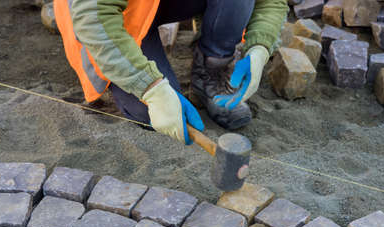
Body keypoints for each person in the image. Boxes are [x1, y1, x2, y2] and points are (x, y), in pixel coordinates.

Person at [54, 0, 288, 145]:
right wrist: (149, 87)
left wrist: (260, 46)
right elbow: (93, 20)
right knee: (151, 112)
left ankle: (211, 71)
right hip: (113, 15)